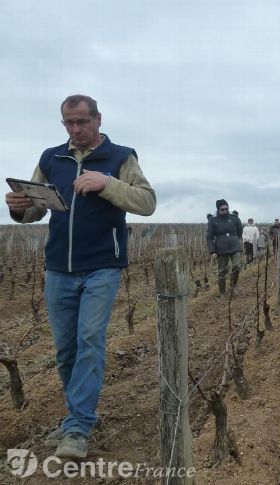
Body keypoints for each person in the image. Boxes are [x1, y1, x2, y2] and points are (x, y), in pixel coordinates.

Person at [4, 94, 156, 459]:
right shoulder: (50, 158)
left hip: (103, 264)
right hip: (58, 266)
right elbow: (36, 210)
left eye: (82, 122)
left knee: (89, 339)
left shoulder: (120, 157)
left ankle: (77, 427)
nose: (76, 130)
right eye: (69, 123)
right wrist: (20, 208)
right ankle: (80, 413)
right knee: (65, 349)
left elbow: (147, 202)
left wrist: (107, 184)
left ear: (98, 119)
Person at [207, 199, 243, 296]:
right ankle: (222, 292)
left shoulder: (234, 218)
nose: (224, 211)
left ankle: (233, 284)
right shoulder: (213, 220)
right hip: (221, 248)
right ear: (218, 209)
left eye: (226, 209)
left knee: (237, 266)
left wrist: (235, 239)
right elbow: (209, 237)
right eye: (222, 209)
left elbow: (240, 230)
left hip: (234, 246)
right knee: (222, 271)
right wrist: (212, 250)